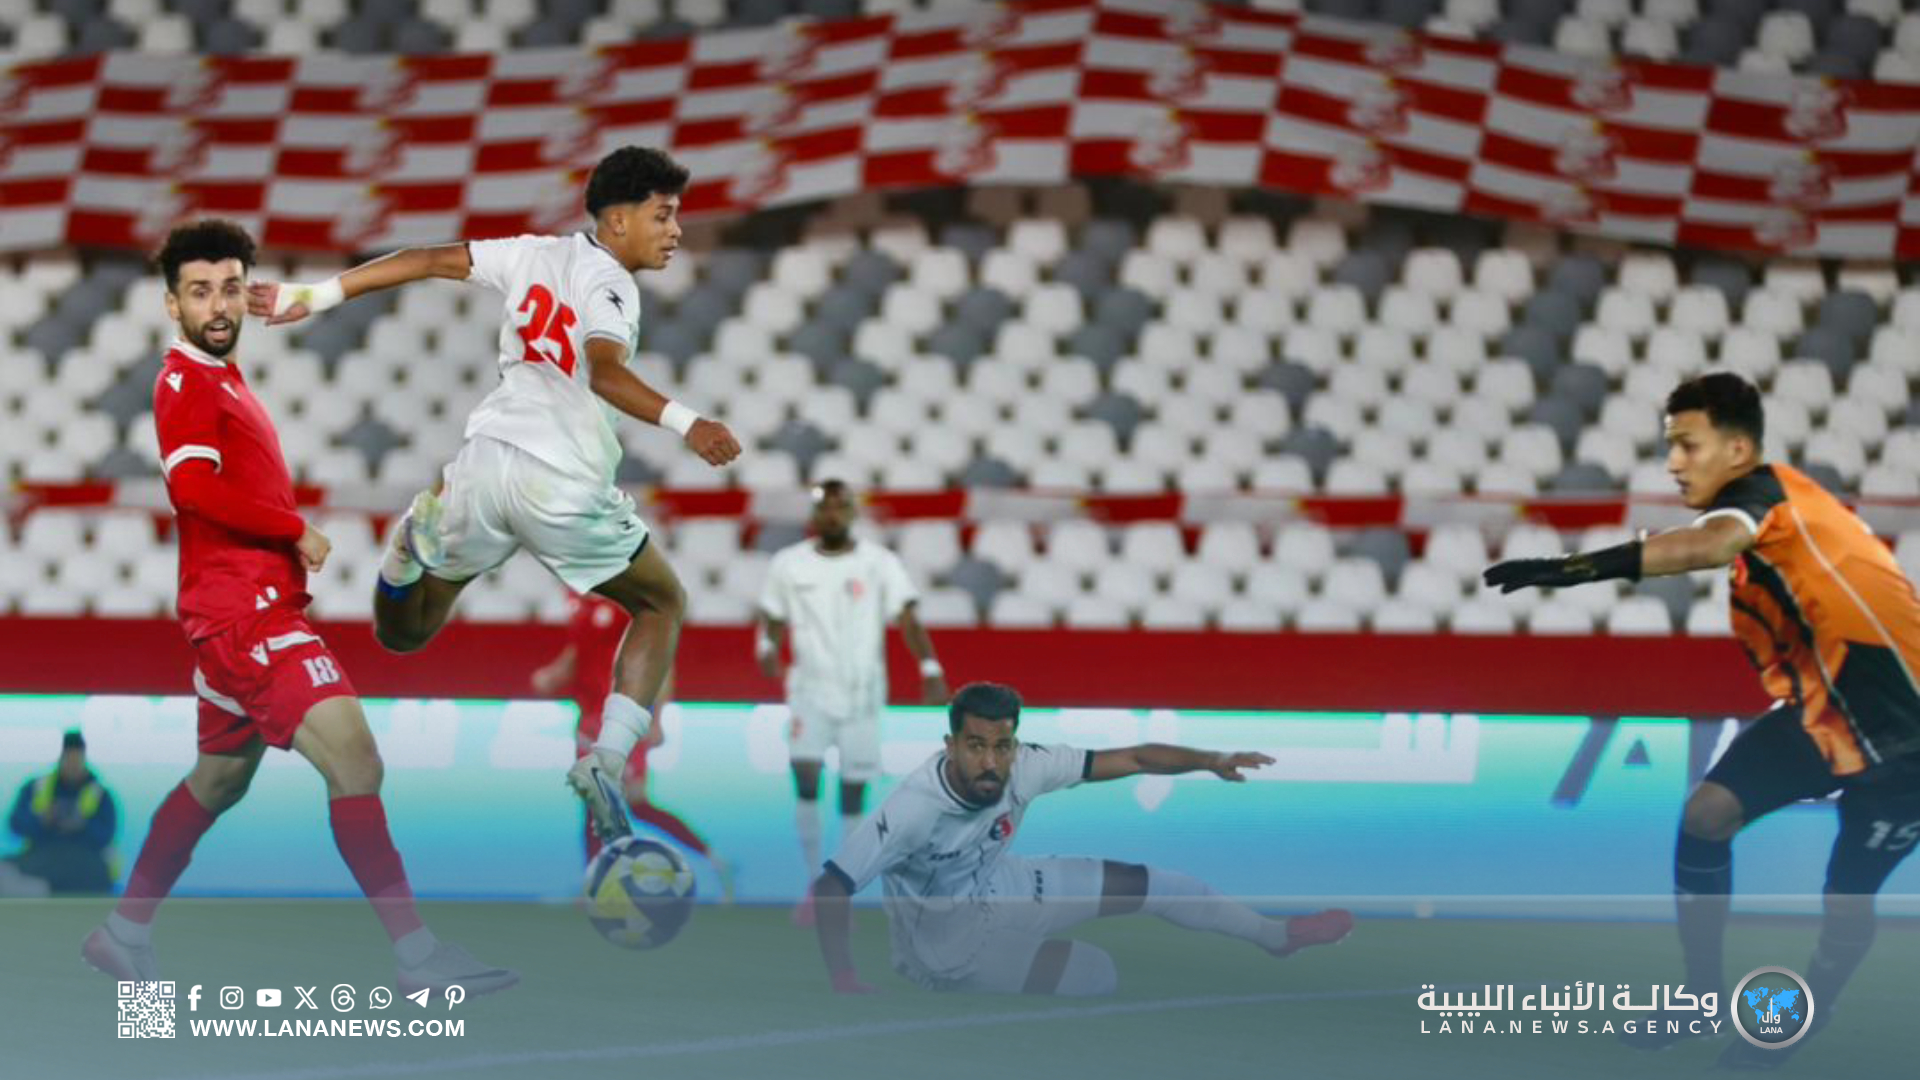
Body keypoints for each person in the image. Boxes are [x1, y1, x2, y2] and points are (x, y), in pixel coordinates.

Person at [247, 146, 741, 844]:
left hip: (484, 465)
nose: (676, 231)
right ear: (619, 221)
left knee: (404, 634)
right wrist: (691, 423)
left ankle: (402, 555)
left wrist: (317, 295)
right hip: (560, 481)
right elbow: (603, 373)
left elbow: (424, 259)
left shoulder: (530, 253)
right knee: (662, 602)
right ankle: (606, 761)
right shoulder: (612, 286)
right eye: (663, 216)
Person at [81, 220, 515, 996]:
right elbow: (193, 489)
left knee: (218, 782)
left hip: (233, 613)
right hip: (247, 617)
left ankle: (123, 933)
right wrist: (293, 529)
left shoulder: (223, 379)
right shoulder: (185, 383)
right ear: (172, 305)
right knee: (356, 760)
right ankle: (417, 956)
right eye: (198, 292)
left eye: (228, 288)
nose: (218, 305)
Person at [1483, 371, 1920, 1068]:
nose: (1674, 463)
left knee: (1846, 899)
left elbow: (1709, 545)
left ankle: (1807, 1011)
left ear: (1738, 450)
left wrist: (1574, 568)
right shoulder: (1779, 513)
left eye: (1688, 445)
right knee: (1706, 815)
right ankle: (1702, 998)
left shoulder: (1765, 499)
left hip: (1907, 739)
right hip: (1824, 714)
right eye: (1671, 446)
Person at [809, 682, 1354, 995]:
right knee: (1098, 974)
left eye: (1002, 745)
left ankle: (1274, 936)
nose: (991, 761)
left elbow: (1135, 757)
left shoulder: (1028, 764)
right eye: (975, 746)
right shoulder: (912, 809)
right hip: (946, 949)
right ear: (950, 745)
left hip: (999, 884)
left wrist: (1211, 759)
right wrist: (844, 978)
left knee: (1154, 883)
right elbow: (832, 886)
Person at [757, 480, 949, 926]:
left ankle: (839, 887)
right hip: (809, 689)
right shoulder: (789, 563)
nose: (832, 515)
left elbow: (907, 616)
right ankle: (812, 882)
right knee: (806, 777)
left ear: (852, 514)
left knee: (852, 791)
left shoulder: (879, 563)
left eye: (840, 507)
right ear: (814, 514)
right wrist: (767, 647)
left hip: (862, 692)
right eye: (825, 507)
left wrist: (930, 667)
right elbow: (772, 613)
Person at [532, 592, 733, 896]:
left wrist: (657, 717)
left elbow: (659, 657)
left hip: (621, 716)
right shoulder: (578, 598)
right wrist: (554, 674)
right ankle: (711, 860)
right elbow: (581, 650)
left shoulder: (626, 597)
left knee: (612, 803)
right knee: (615, 804)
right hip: (591, 718)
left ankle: (603, 884)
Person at [6, 730, 118, 894]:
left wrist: (82, 825)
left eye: (77, 759)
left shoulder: (100, 794)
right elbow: (15, 824)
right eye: (68, 758)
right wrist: (42, 820)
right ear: (60, 758)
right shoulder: (36, 788)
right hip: (41, 858)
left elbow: (106, 834)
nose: (72, 765)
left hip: (84, 862)